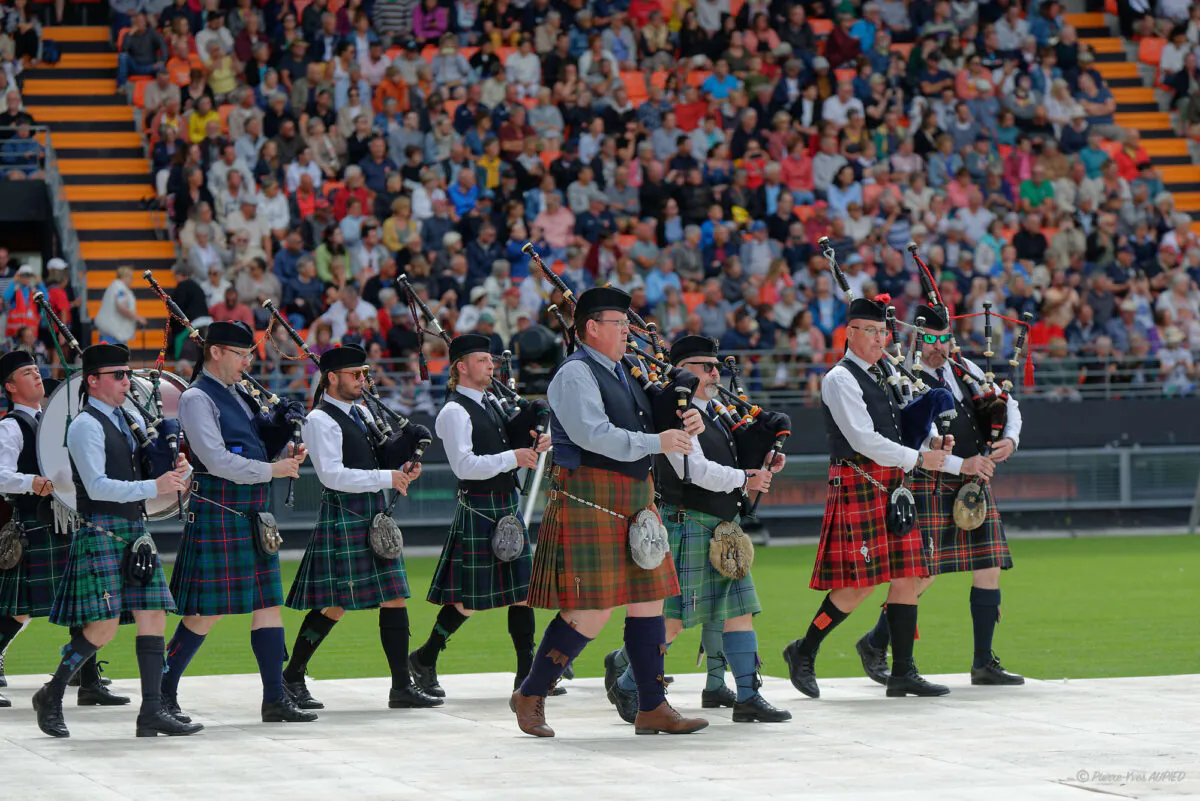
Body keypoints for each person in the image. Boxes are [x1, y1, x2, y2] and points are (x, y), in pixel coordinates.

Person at [512, 286, 708, 738]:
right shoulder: (575, 374)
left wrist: (687, 419)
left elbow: (655, 420)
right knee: (590, 612)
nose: (627, 332)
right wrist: (657, 443)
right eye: (619, 324)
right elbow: (593, 435)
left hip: (635, 497)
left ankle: (652, 706)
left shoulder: (625, 372)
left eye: (628, 323)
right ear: (592, 328)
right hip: (589, 496)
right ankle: (531, 693)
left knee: (649, 603)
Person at [604, 336, 791, 724]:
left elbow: (733, 458)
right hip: (688, 525)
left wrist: (765, 462)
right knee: (671, 621)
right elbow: (698, 472)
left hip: (723, 528)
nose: (715, 372)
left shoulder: (717, 413)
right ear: (685, 371)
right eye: (705, 366)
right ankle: (626, 682)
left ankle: (749, 696)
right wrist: (745, 478)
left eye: (716, 365)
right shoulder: (674, 412)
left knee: (740, 613)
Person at [782, 295, 960, 699]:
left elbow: (903, 422)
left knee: (908, 577)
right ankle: (804, 650)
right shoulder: (840, 379)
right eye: (873, 332)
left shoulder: (887, 370)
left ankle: (903, 672)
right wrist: (921, 458)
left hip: (894, 482)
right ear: (851, 333)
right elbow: (863, 438)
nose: (881, 339)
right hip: (860, 479)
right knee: (858, 586)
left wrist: (935, 440)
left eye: (884, 332)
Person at [34, 344, 198, 738]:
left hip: (134, 531)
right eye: (119, 375)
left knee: (154, 616)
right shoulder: (85, 426)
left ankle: (152, 712)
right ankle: (51, 693)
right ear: (93, 380)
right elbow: (98, 486)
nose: (128, 381)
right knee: (103, 628)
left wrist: (175, 466)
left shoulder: (125, 418)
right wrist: (154, 485)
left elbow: (138, 465)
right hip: (102, 530)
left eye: (128, 373)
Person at [856, 304, 1024, 687]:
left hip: (973, 482)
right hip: (929, 481)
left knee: (989, 566)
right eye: (930, 339)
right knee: (922, 574)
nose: (938, 347)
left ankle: (983, 662)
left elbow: (1008, 403)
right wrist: (962, 462)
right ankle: (875, 643)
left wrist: (1010, 439)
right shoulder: (907, 375)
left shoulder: (964, 369)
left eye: (944, 338)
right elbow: (927, 430)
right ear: (917, 339)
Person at [161, 322, 315, 725]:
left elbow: (257, 445)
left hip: (252, 511)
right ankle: (162, 692)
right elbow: (216, 460)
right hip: (220, 509)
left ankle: (275, 699)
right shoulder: (196, 398)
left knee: (267, 605)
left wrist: (284, 432)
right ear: (216, 352)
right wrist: (274, 469)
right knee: (203, 613)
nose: (249, 362)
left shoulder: (240, 393)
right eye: (241, 354)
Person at [281, 345, 441, 711]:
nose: (362, 381)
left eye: (364, 374)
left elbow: (381, 455)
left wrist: (405, 457)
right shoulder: (319, 420)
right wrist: (389, 476)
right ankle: (291, 676)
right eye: (355, 374)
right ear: (332, 377)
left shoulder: (362, 411)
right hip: (345, 511)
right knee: (333, 605)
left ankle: (401, 686)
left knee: (395, 597)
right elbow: (332, 475)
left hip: (372, 511)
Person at [410, 334, 553, 700]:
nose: (491, 365)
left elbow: (511, 438)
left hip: (506, 505)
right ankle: (425, 658)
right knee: (469, 601)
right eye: (482, 360)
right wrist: (514, 458)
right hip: (479, 507)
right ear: (460, 367)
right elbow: (465, 465)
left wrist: (535, 440)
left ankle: (527, 677)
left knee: (523, 593)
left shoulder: (492, 401)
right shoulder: (454, 411)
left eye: (491, 360)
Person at [0, 352, 74, 710]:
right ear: (11, 387)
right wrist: (32, 482)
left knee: (83, 602)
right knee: (20, 610)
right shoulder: (11, 426)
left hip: (67, 521)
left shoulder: (54, 422)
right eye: (27, 373)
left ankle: (87, 678)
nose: (37, 376)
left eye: (37, 370)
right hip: (35, 522)